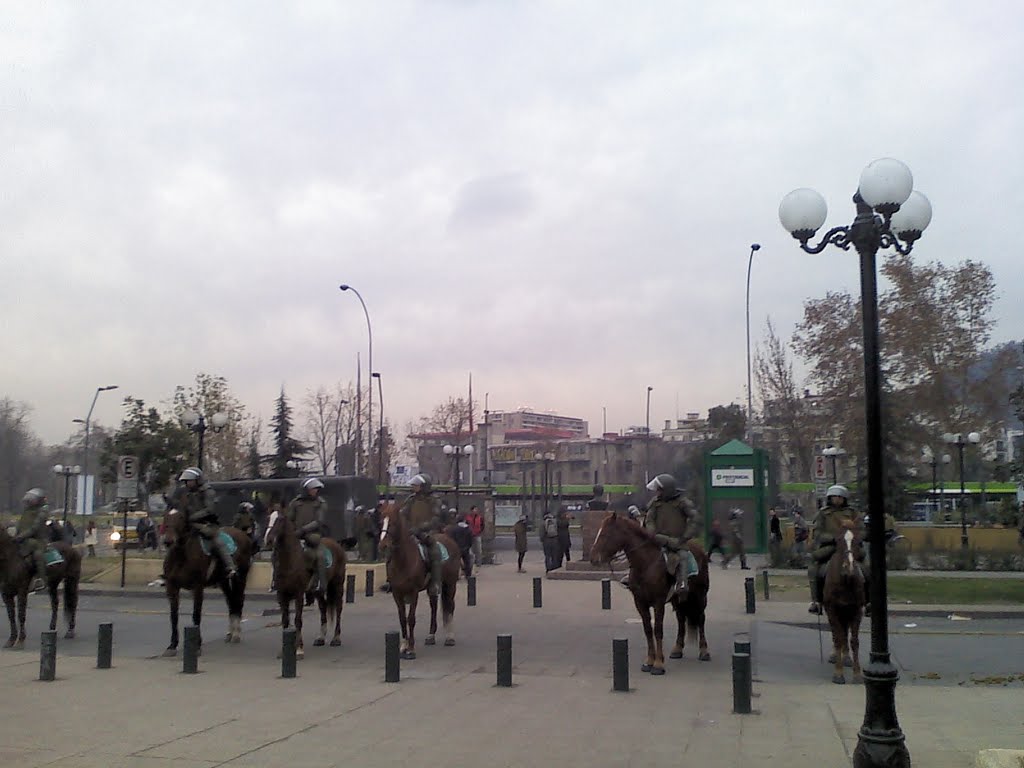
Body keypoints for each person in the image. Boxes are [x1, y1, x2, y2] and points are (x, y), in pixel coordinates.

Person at [637, 473, 698, 599]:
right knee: (642, 554)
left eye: (659, 490)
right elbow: (649, 519)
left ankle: (682, 583)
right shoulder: (655, 502)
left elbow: (695, 519)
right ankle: (634, 578)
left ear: (666, 489)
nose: (657, 492)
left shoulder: (682, 502)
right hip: (657, 539)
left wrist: (686, 536)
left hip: (677, 540)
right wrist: (651, 532)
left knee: (682, 555)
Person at [807, 484, 865, 615]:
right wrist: (834, 538)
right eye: (834, 497)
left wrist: (854, 537)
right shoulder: (823, 513)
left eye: (840, 497)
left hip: (850, 545)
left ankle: (868, 601)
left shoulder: (853, 513)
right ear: (829, 498)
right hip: (831, 546)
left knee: (867, 565)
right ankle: (816, 601)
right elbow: (818, 534)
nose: (837, 500)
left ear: (844, 498)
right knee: (813, 566)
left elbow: (862, 530)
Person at [174, 467, 237, 580]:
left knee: (216, 540)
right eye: (185, 481)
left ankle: (230, 566)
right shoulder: (188, 493)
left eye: (189, 481)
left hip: (207, 523)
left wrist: (193, 517)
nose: (187, 484)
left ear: (198, 480)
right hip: (190, 523)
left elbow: (209, 510)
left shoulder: (208, 492)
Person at [398, 474, 444, 597]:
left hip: (428, 532)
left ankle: (435, 583)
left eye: (416, 485)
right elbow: (403, 514)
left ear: (424, 486)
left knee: (434, 551)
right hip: (411, 532)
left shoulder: (434, 499)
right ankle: (392, 580)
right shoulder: (411, 499)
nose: (414, 487)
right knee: (395, 549)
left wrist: (420, 528)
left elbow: (435, 519)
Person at [286, 477, 329, 604]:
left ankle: (321, 585)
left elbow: (319, 521)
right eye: (312, 489)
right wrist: (291, 530)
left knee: (320, 556)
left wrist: (303, 530)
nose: (315, 491)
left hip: (312, 535)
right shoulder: (295, 503)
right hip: (296, 534)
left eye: (316, 489)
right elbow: (290, 518)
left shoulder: (320, 503)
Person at [15, 488, 52, 591]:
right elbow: (21, 525)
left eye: (31, 500)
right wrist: (15, 536)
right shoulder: (27, 511)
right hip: (24, 538)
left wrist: (21, 537)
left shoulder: (42, 512)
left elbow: (34, 529)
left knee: (37, 554)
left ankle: (41, 579)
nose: (28, 502)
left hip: (39, 540)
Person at [446, 511, 474, 580]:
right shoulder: (468, 529)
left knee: (456, 562)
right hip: (466, 548)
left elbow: (452, 538)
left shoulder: (454, 529)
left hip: (457, 547)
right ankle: (468, 575)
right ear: (464, 520)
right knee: (467, 561)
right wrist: (468, 546)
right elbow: (470, 540)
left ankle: (456, 575)